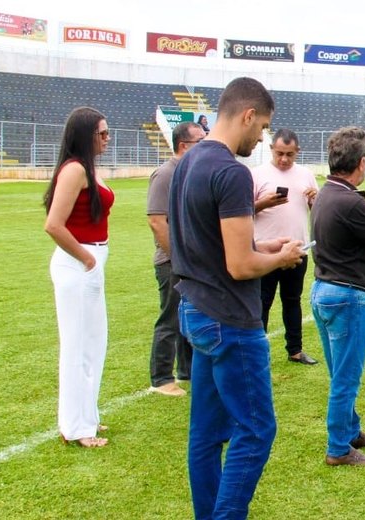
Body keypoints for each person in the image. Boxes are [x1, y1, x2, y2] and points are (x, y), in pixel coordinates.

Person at [169, 77, 305, 519]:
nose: (262, 137)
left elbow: (214, 245)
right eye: (262, 127)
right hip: (229, 320)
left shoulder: (187, 164)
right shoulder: (230, 171)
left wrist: (267, 248)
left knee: (206, 434)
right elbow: (240, 266)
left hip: (196, 311)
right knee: (257, 430)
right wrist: (279, 259)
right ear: (248, 116)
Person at [310, 126, 365, 466]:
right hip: (348, 296)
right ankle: (338, 448)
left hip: (324, 290)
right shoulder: (352, 202)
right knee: (346, 378)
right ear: (361, 163)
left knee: (340, 373)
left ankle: (351, 431)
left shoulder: (324, 195)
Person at [43, 106, 114, 448]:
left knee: (94, 342)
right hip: (78, 262)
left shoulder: (89, 167)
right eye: (101, 133)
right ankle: (76, 426)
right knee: (77, 345)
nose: (107, 138)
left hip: (90, 259)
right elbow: (54, 224)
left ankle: (87, 415)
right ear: (85, 135)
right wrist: (86, 258)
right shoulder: (74, 170)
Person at [145, 121, 206, 397]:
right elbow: (157, 222)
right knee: (169, 319)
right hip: (171, 262)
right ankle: (160, 378)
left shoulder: (190, 173)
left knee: (186, 318)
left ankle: (187, 371)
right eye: (200, 141)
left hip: (189, 262)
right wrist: (178, 258)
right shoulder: (165, 174)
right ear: (185, 146)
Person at [252, 128, 320, 365]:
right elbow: (242, 212)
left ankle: (295, 350)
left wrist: (314, 201)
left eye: (289, 154)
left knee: (293, 300)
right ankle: (256, 352)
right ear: (271, 149)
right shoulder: (256, 174)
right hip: (265, 252)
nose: (284, 159)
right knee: (261, 302)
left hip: (297, 250)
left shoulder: (306, 175)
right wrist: (263, 203)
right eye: (280, 153)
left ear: (297, 152)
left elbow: (316, 211)